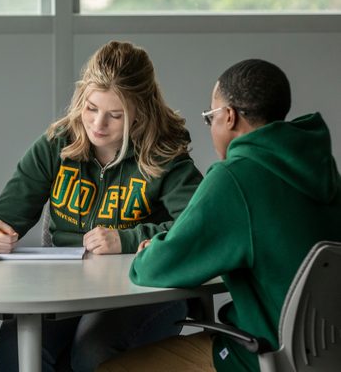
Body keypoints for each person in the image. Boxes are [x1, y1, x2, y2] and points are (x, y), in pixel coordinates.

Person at [0, 41, 204, 372]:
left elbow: (201, 227)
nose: (98, 124)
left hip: (143, 290)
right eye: (91, 108)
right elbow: (0, 216)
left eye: (115, 115)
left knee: (93, 350)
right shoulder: (57, 144)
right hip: (68, 287)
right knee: (15, 348)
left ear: (141, 112)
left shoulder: (166, 155)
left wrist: (128, 239)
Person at [98, 59, 341, 372]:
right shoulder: (322, 171)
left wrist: (150, 250)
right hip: (328, 355)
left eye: (209, 117)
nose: (210, 126)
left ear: (229, 117)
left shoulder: (235, 179)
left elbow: (154, 269)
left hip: (264, 356)